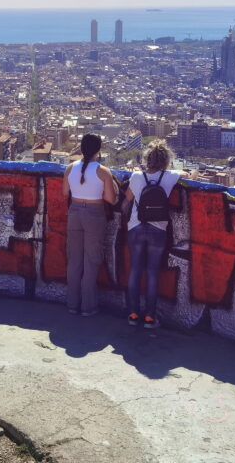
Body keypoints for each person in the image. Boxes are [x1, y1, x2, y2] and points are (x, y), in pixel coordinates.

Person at [121, 140, 180, 329]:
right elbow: (190, 174)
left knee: (135, 270)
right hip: (158, 229)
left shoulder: (137, 176)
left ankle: (132, 314)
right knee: (153, 273)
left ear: (147, 159)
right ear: (166, 160)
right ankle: (149, 317)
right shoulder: (171, 177)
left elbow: (128, 199)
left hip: (136, 227)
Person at [62, 133, 119, 316]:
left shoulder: (70, 168)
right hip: (94, 214)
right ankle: (88, 307)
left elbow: (65, 193)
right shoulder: (103, 171)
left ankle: (72, 304)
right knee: (92, 260)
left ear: (81, 148)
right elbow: (110, 199)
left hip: (74, 212)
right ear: (98, 150)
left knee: (74, 260)